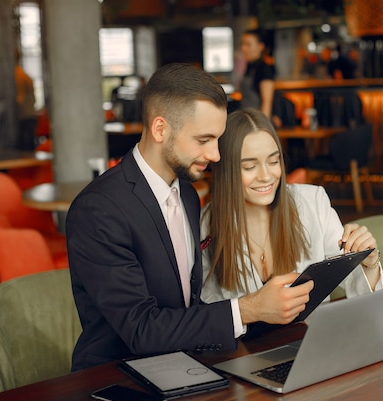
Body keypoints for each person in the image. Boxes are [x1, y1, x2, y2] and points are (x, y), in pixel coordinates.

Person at [66, 63, 314, 371]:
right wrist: (248, 309)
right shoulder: (98, 210)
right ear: (160, 129)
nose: (216, 155)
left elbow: (187, 307)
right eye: (204, 140)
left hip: (183, 364)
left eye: (217, 140)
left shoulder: (187, 194)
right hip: (115, 378)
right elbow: (142, 329)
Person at [201, 108, 383, 304]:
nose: (266, 176)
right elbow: (208, 305)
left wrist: (369, 263)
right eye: (250, 167)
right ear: (226, 171)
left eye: (273, 161)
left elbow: (357, 284)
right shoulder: (207, 223)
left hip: (313, 332)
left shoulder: (313, 202)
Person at [238, 29, 280, 127]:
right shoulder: (249, 66)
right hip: (247, 119)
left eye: (248, 45)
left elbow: (267, 102)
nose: (243, 48)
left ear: (260, 46)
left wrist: (262, 128)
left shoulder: (264, 69)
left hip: (257, 122)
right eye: (242, 44)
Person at [14, 49, 37, 151]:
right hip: (30, 114)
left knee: (26, 149)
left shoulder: (18, 75)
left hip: (25, 116)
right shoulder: (21, 73)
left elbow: (20, 98)